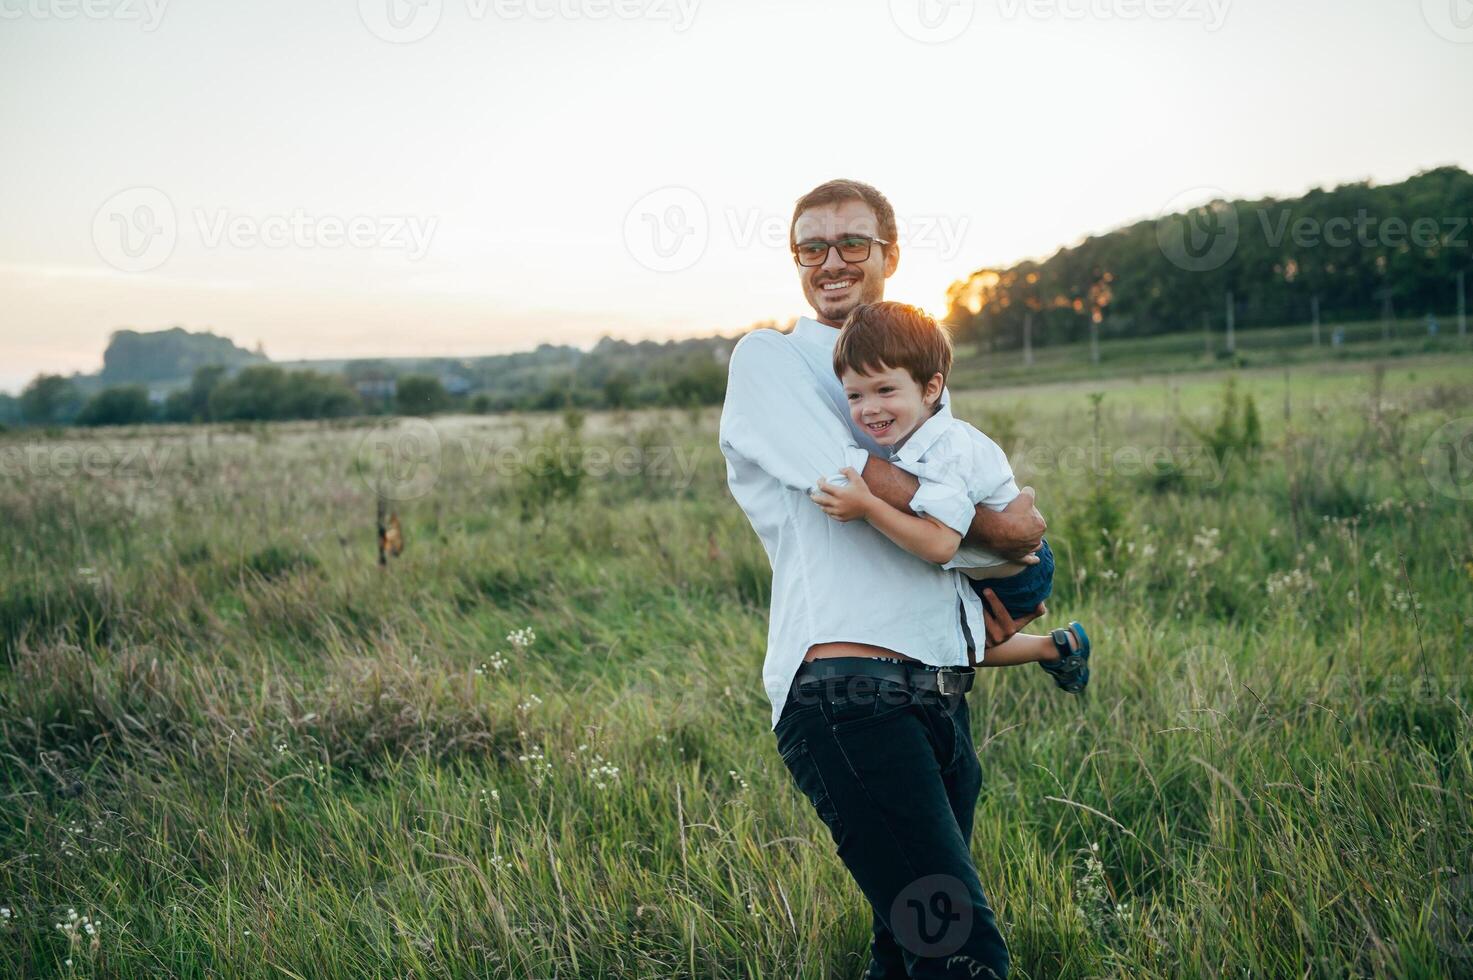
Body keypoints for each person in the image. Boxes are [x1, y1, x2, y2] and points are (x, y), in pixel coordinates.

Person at [719, 179, 1046, 979]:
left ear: (889, 256)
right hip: (847, 698)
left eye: (851, 244)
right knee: (963, 955)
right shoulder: (771, 358)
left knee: (906, 952)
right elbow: (846, 480)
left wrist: (991, 591)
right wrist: (1007, 539)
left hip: (939, 694)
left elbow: (952, 527)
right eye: (810, 247)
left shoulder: (912, 371)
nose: (829, 262)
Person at [809, 301, 1091, 692]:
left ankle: (1059, 648)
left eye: (885, 390)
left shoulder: (945, 451)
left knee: (946, 647)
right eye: (854, 396)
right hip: (995, 563)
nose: (869, 409)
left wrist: (868, 506)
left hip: (1018, 573)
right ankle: (1061, 646)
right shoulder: (916, 437)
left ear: (931, 388)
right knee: (942, 641)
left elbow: (941, 545)